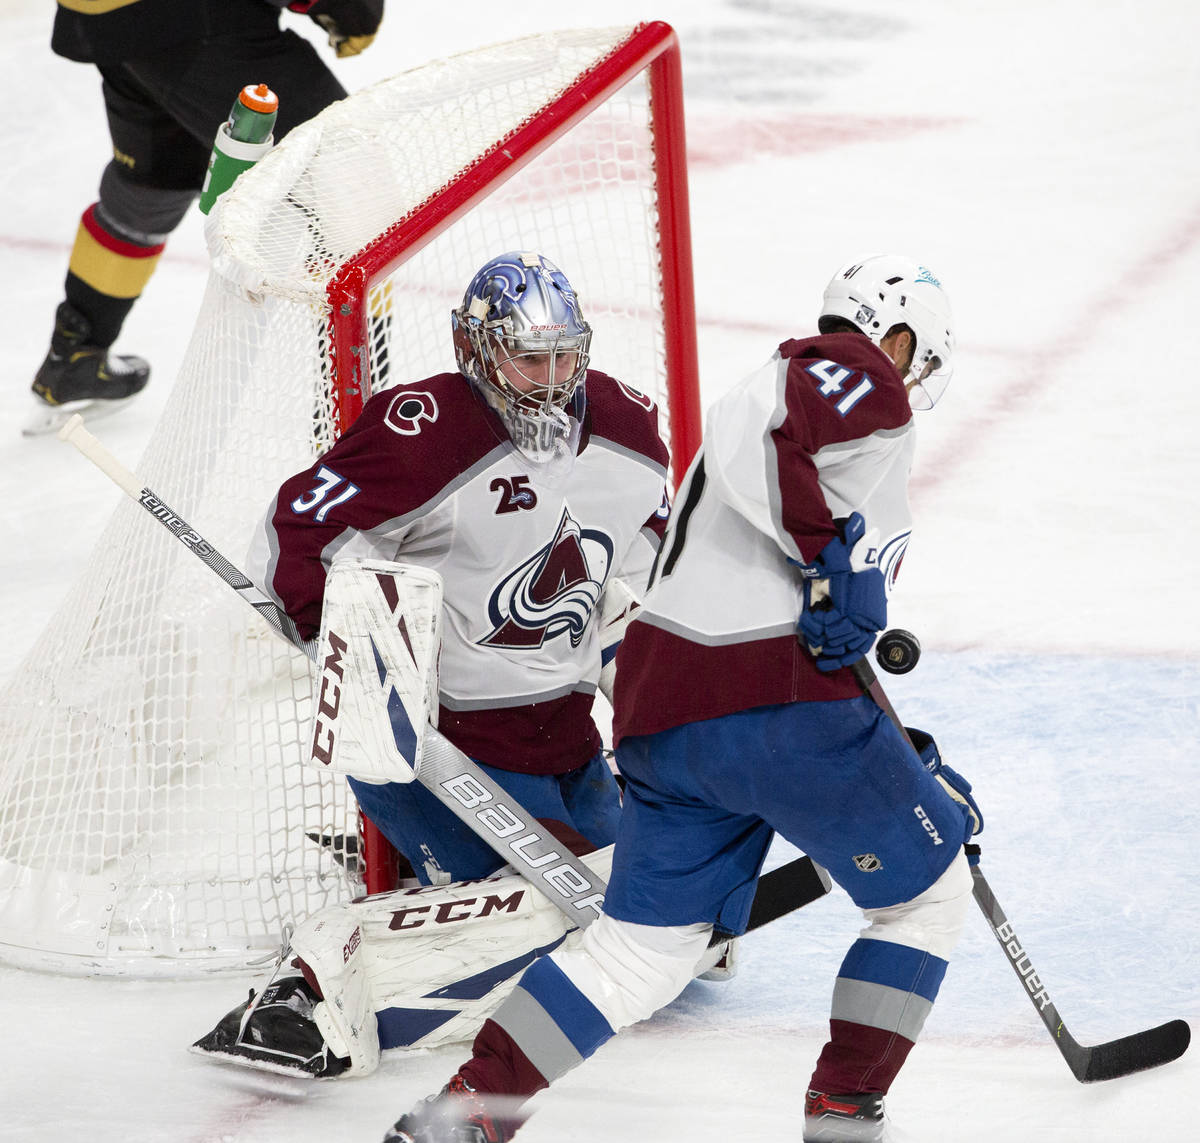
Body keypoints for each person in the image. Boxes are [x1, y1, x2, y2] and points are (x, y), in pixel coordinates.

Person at [383, 255, 984, 1143]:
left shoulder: (787, 418)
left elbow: (812, 604)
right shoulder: (853, 369)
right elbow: (794, 431)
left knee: (643, 951)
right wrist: (834, 565)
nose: (909, 379)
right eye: (914, 357)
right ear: (893, 333)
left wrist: (890, 755)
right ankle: (844, 1113)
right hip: (777, 706)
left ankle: (466, 1112)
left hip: (667, 716)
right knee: (930, 891)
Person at [247, 250, 671, 888]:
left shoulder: (627, 433)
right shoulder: (426, 437)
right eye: (529, 358)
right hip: (442, 746)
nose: (553, 381)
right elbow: (297, 536)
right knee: (551, 907)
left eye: (564, 356)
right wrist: (340, 644)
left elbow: (642, 573)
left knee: (633, 894)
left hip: (566, 736)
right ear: (474, 349)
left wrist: (649, 691)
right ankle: (407, 854)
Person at [27, 0, 385, 435]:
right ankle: (356, 426)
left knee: (152, 186)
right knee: (355, 192)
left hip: (112, 23)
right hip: (200, 21)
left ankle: (74, 357)